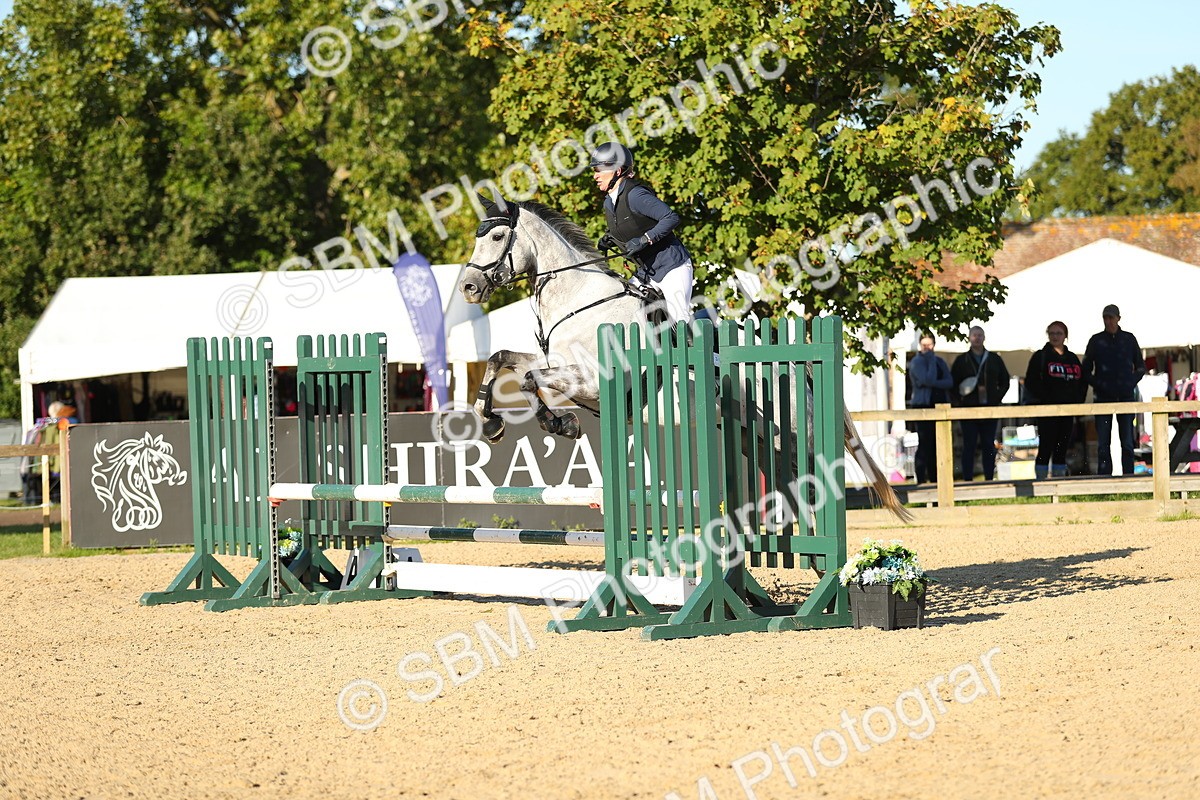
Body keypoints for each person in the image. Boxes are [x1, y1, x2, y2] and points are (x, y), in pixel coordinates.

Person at [590, 142, 695, 324]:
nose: (595, 176)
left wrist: (645, 239)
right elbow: (630, 226)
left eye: (599, 170)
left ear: (617, 170)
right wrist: (609, 239)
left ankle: (705, 352)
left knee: (679, 319)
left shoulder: (635, 195)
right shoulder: (609, 202)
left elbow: (670, 217)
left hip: (672, 267)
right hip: (645, 273)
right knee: (624, 309)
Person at [1082, 304, 1145, 475]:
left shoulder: (1129, 339)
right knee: (1103, 443)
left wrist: (1129, 382)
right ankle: (1105, 479)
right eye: (1106, 318)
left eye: (1111, 317)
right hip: (1103, 397)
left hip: (1125, 396)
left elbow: (1141, 366)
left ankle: (1129, 477)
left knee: (1127, 442)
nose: (1109, 321)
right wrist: (1100, 385)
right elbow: (1085, 370)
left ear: (1118, 318)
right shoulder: (1096, 340)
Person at [1024, 321, 1086, 479]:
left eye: (1058, 333)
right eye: (1052, 333)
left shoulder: (1072, 358)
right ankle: (1041, 483)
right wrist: (1045, 399)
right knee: (1045, 447)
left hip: (1067, 411)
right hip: (1047, 410)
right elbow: (1031, 381)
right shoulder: (1040, 356)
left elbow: (1082, 381)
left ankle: (1059, 482)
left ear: (1065, 336)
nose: (1055, 337)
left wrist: (1077, 402)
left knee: (1062, 448)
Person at [951, 326, 1010, 481]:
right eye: (974, 335)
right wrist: (960, 402)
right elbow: (953, 384)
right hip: (968, 410)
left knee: (988, 445)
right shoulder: (962, 360)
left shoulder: (994, 359)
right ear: (969, 338)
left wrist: (996, 398)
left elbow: (1005, 381)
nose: (977, 338)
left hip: (989, 409)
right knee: (968, 446)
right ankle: (967, 480)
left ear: (984, 337)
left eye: (980, 335)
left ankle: (989, 478)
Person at [907, 333, 954, 483]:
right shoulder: (916, 362)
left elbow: (949, 382)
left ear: (934, 345)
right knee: (924, 444)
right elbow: (928, 379)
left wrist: (934, 382)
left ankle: (936, 480)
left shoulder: (940, 361)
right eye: (924, 345)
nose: (927, 348)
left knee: (937, 445)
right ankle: (920, 480)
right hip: (922, 406)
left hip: (939, 405)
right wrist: (931, 362)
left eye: (930, 344)